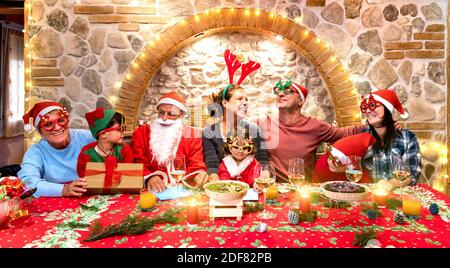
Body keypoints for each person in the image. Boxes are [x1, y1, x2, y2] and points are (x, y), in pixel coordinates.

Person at [256, 79, 365, 181]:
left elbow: (344, 133)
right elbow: (240, 125)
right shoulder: (264, 122)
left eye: (288, 91)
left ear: (300, 101)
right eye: (278, 91)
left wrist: (372, 123)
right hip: (272, 189)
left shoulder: (315, 126)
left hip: (302, 189)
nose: (280, 94)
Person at [328, 90, 421, 190]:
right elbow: (348, 164)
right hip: (367, 197)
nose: (368, 111)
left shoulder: (408, 138)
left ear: (387, 109)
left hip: (398, 198)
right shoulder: (358, 136)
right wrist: (337, 165)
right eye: (365, 107)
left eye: (373, 105)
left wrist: (391, 184)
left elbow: (412, 174)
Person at [203, 49, 268, 180]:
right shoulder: (209, 132)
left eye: (246, 99)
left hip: (250, 186)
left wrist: (264, 180)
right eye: (239, 99)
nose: (245, 103)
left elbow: (263, 161)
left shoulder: (254, 129)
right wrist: (217, 186)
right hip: (223, 185)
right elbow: (212, 164)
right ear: (225, 103)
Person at [130, 91, 208, 192]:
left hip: (182, 189)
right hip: (152, 191)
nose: (164, 118)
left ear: (181, 115)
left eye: (171, 114)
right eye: (161, 113)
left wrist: (198, 174)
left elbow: (196, 163)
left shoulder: (192, 135)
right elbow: (137, 162)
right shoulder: (141, 133)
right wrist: (149, 177)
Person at [18, 101, 95, 197]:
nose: (57, 127)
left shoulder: (88, 137)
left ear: (68, 121)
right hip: (57, 202)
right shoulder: (36, 151)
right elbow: (27, 182)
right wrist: (63, 189)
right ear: (40, 132)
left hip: (93, 196)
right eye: (48, 124)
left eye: (61, 120)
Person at [77, 108, 134, 178]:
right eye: (120, 129)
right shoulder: (86, 154)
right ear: (103, 134)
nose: (124, 133)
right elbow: (84, 176)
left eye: (124, 129)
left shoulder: (124, 150)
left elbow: (129, 175)